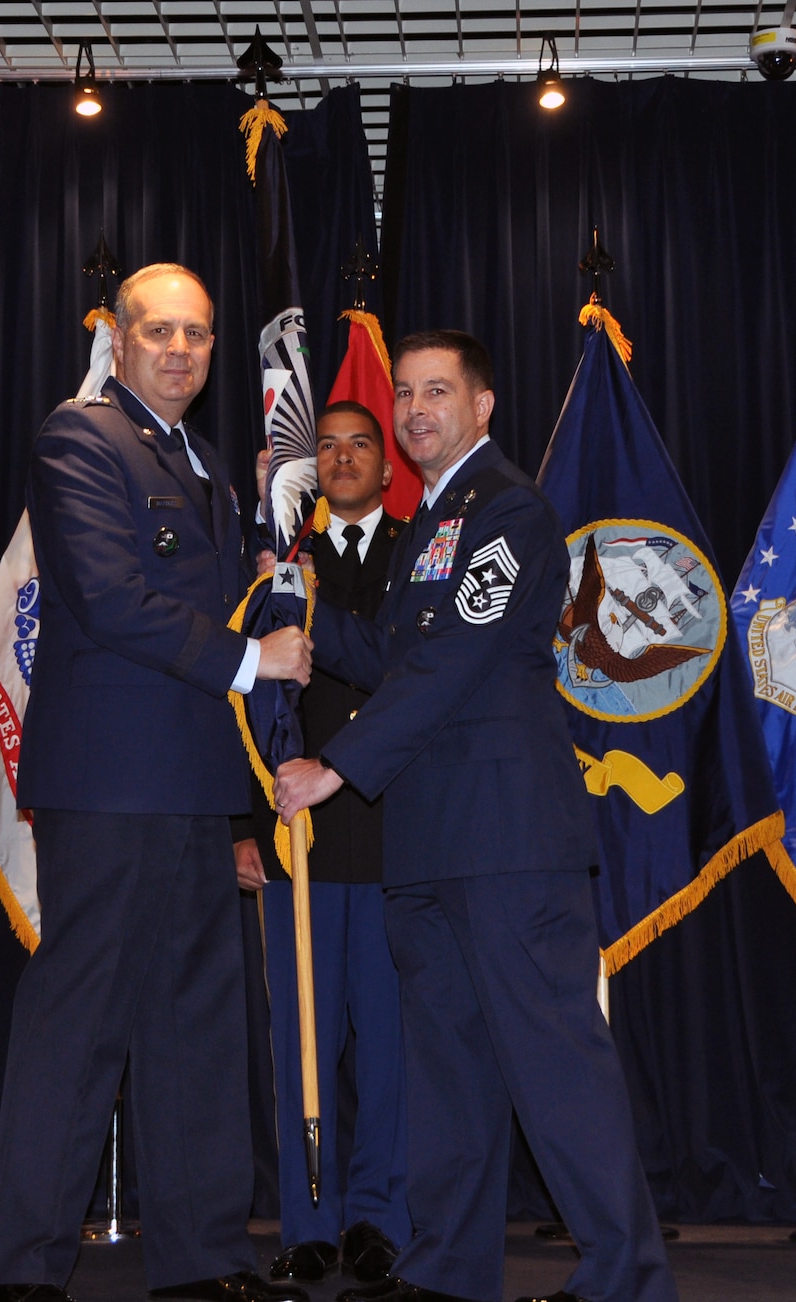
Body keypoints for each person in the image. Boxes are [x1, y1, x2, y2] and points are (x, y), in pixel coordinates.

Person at [274, 332, 676, 1302]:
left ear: (482, 405)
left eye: (436, 392)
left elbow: (452, 658)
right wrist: (296, 602)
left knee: (551, 1062)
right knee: (444, 1071)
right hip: (427, 841)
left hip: (506, 838)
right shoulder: (429, 523)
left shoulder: (505, 509)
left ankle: (625, 1277)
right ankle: (448, 1271)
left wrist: (337, 765)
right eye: (404, 392)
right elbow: (386, 653)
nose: (414, 410)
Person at [0, 263, 315, 1302]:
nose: (179, 350)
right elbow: (114, 600)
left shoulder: (204, 461)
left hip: (192, 784)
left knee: (195, 1028)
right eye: (158, 331)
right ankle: (22, 1271)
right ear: (116, 340)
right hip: (111, 785)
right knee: (78, 1027)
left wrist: (273, 557)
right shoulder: (78, 437)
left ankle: (201, 1259)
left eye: (198, 335)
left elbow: (216, 600)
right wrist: (255, 661)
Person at [236, 401, 412, 1287]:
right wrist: (243, 824)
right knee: (299, 1042)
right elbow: (233, 700)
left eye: (359, 446)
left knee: (388, 1047)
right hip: (296, 838)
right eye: (328, 447)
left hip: (393, 833)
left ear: (388, 468)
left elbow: (411, 671)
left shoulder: (424, 555)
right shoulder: (272, 561)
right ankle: (310, 1217)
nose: (342, 459)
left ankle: (380, 1220)